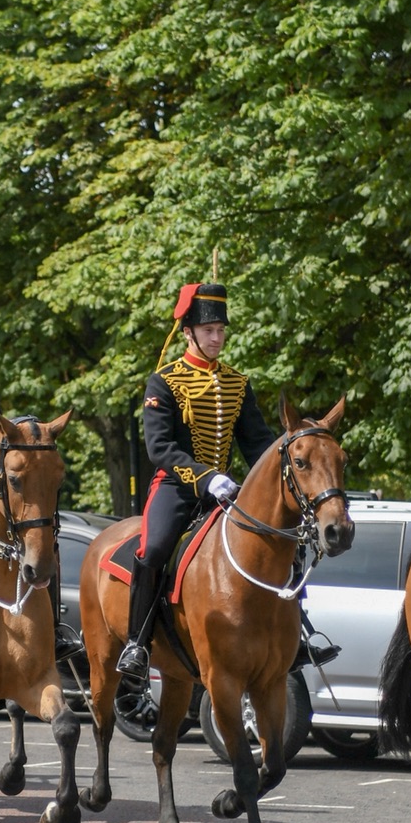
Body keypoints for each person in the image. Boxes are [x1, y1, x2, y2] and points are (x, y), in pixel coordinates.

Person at [116, 282, 280, 679]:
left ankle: (298, 635)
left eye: (221, 331)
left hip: (226, 493)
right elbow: (160, 448)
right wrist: (207, 479)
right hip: (177, 487)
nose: (217, 338)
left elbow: (257, 443)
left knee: (276, 542)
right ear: (188, 332)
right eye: (209, 330)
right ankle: (137, 642)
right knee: (153, 550)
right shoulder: (165, 382)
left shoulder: (237, 383)